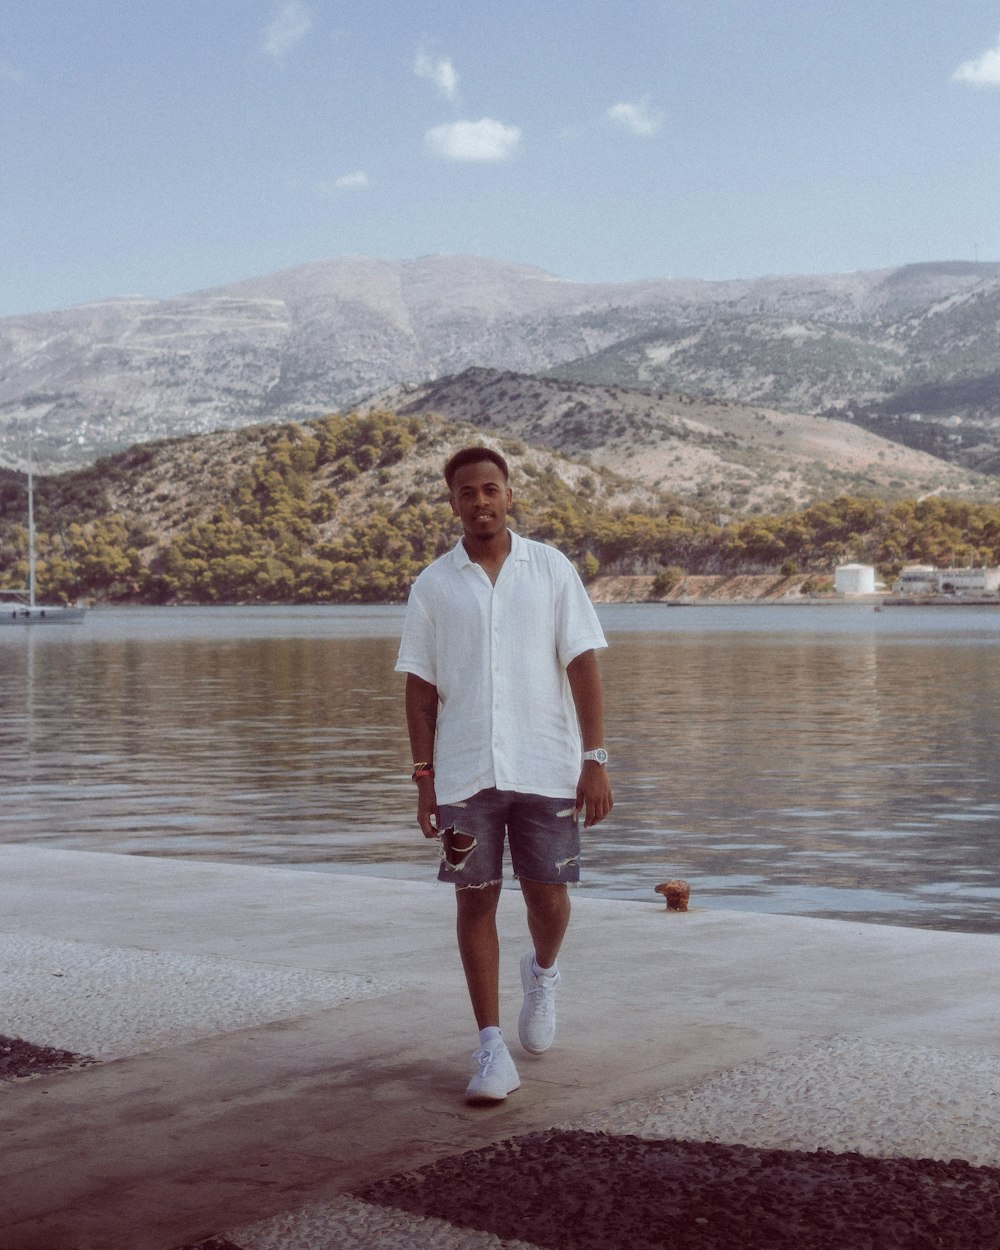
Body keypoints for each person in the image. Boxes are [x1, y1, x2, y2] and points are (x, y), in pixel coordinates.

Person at [395, 446, 613, 1103]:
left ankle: (542, 972)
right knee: (475, 899)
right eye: (468, 493)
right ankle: (490, 1047)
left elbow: (583, 666)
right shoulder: (434, 585)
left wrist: (595, 759)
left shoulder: (551, 571)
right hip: (464, 775)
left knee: (548, 896)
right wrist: (425, 780)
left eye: (492, 489)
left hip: (546, 764)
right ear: (454, 502)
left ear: (510, 495)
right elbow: (419, 691)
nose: (481, 502)